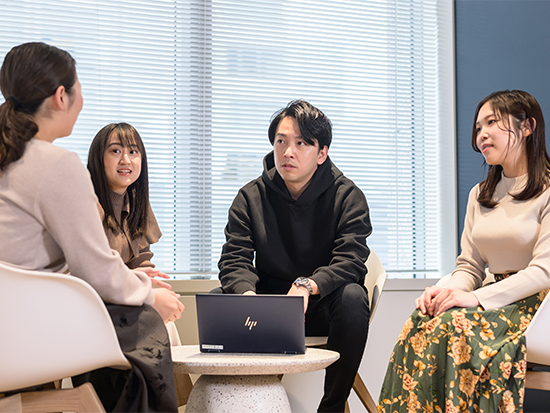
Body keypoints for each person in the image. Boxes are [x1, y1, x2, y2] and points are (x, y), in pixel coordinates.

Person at [0, 42, 184, 412]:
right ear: (61, 96)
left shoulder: (11, 154)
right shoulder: (57, 164)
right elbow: (96, 270)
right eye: (80, 87)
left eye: (133, 152)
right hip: (27, 330)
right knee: (146, 322)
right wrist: (151, 294)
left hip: (12, 324)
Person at [378, 90, 550, 412]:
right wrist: (442, 292)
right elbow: (469, 267)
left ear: (527, 127)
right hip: (493, 301)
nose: (481, 134)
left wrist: (476, 298)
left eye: (492, 123)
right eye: (478, 127)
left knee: (453, 327)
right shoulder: (480, 194)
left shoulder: (548, 190)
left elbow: (544, 271)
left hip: (538, 309)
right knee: (421, 320)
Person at [217, 100, 372, 412]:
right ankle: (233, 405)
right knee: (219, 299)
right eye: (281, 141)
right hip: (266, 307)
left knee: (354, 297)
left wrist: (307, 285)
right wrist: (246, 295)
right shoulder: (250, 197)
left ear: (322, 153)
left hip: (321, 306)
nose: (288, 152)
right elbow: (234, 259)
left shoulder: (348, 196)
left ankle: (331, 406)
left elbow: (352, 259)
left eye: (302, 143)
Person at [87, 122, 181, 345]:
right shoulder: (87, 204)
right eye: (116, 151)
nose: (126, 160)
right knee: (159, 322)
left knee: (166, 318)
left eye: (133, 151)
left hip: (124, 296)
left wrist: (157, 289)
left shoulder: (137, 203)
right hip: (93, 301)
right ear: (98, 158)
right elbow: (91, 272)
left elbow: (142, 263)